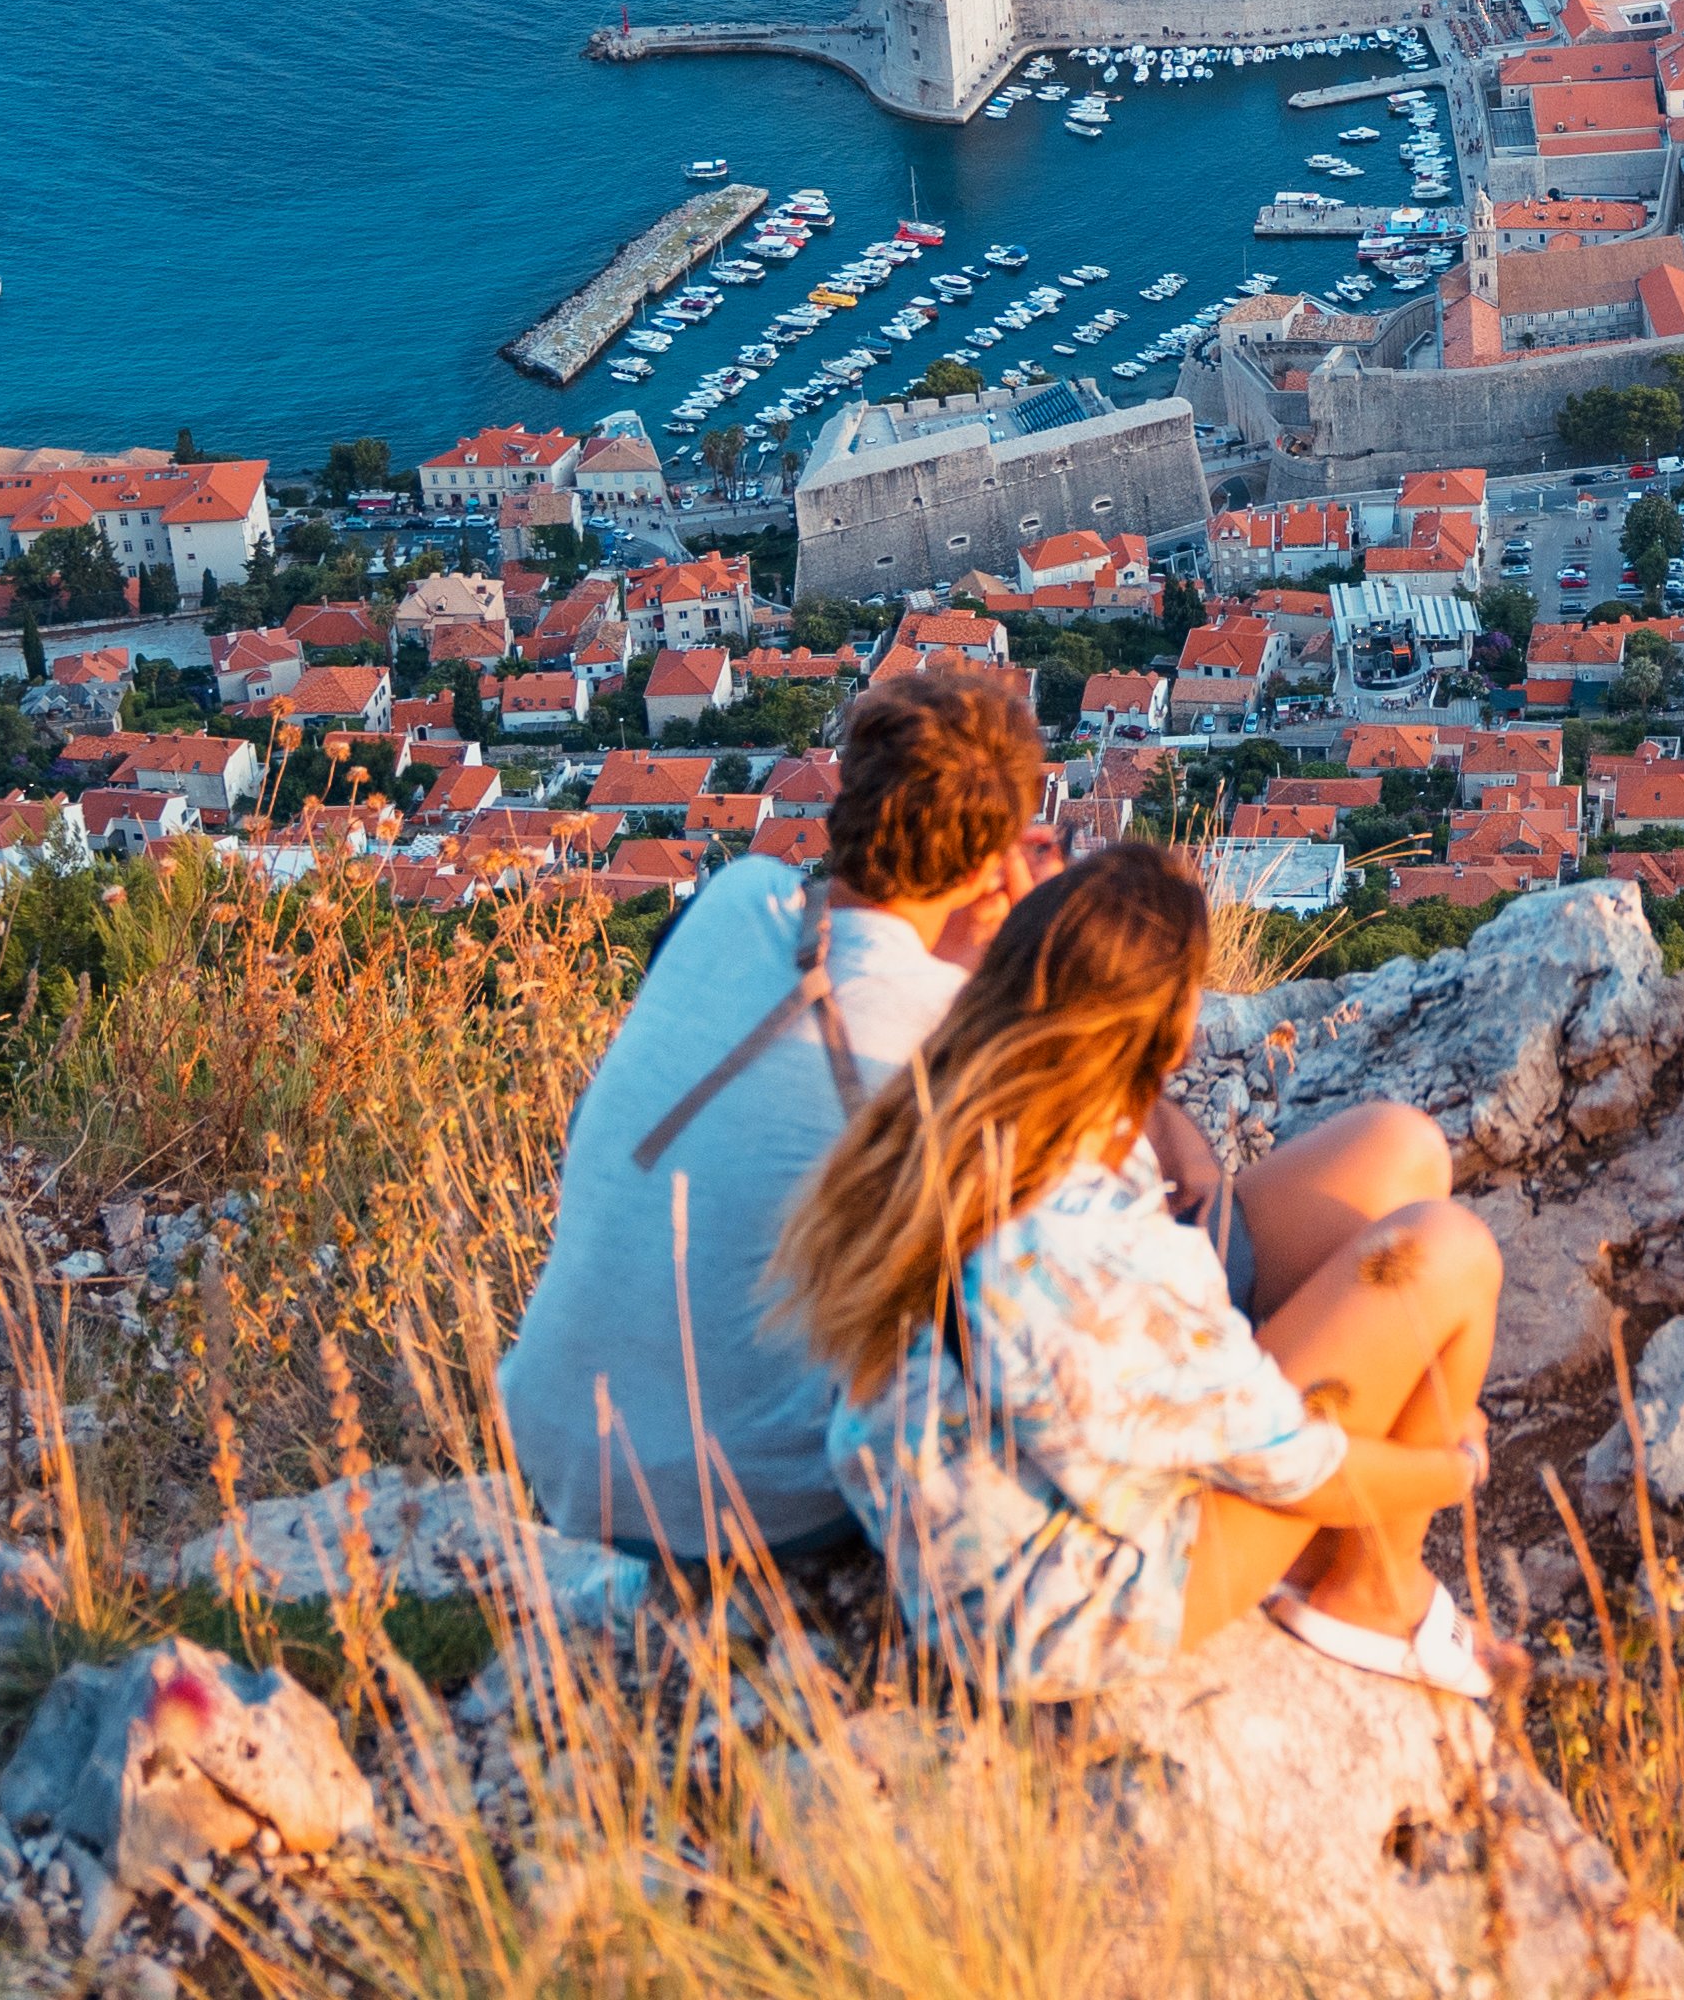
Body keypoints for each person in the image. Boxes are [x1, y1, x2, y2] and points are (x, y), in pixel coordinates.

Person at [496, 668, 1444, 1571]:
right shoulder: (961, 1051)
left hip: (563, 1462)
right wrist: (1046, 972)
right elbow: (1137, 1262)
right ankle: (1319, 1548)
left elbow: (836, 946)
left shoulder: (732, 903)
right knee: (1390, 1157)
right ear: (996, 869)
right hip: (762, 1508)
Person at [777, 843, 1508, 1700]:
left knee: (1391, 1154)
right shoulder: (1085, 1248)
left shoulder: (972, 1106)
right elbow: (1290, 1460)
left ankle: (1329, 1558)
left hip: (1014, 1497)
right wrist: (1451, 1464)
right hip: (1067, 1601)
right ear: (1168, 1039)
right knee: (1451, 1253)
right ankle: (1373, 1596)